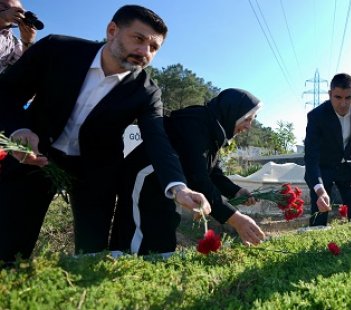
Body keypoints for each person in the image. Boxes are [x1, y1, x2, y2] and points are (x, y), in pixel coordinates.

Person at [0, 5, 210, 265]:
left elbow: (157, 140)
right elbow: (6, 94)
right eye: (139, 39)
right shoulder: (56, 50)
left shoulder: (147, 92)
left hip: (96, 171)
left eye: (154, 48)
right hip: (32, 157)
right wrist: (19, 132)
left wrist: (178, 187)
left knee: (91, 253)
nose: (145, 52)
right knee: (9, 245)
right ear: (112, 31)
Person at [110, 89, 266, 255]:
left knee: (164, 233)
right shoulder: (195, 123)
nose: (249, 126)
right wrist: (236, 219)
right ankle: (123, 273)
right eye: (247, 119)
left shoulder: (213, 129)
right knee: (138, 238)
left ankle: (151, 276)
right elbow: (198, 178)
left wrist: (236, 191)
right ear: (232, 112)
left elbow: (212, 172)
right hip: (145, 181)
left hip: (166, 187)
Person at [304, 73, 351, 226]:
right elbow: (311, 157)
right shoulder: (316, 116)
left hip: (347, 166)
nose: (343, 104)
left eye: (348, 98)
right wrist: (320, 190)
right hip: (323, 166)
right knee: (320, 211)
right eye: (338, 97)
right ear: (330, 94)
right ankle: (316, 244)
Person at [0, 0, 37, 73]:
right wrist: (2, 15)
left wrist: (27, 42)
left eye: (16, 10)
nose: (10, 11)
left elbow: (24, 68)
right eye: (4, 6)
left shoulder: (14, 43)